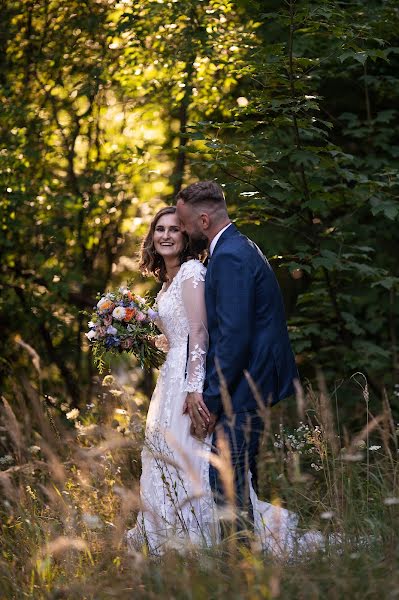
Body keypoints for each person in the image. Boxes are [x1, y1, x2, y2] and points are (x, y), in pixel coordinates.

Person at [127, 198, 320, 557]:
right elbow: (181, 334)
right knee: (167, 456)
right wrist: (138, 334)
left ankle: (209, 542)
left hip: (189, 383)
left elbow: (202, 335)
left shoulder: (192, 273)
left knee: (198, 461)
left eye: (175, 229)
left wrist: (195, 389)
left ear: (186, 236)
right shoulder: (167, 283)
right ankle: (171, 538)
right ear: (151, 235)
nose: (167, 235)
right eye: (160, 228)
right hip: (171, 380)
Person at [175, 181, 299, 537]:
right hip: (250, 384)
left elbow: (233, 339)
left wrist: (212, 400)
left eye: (183, 223)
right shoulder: (239, 246)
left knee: (225, 483)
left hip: (246, 387)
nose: (181, 230)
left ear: (202, 220)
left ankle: (241, 565)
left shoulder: (229, 255)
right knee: (240, 478)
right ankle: (247, 559)